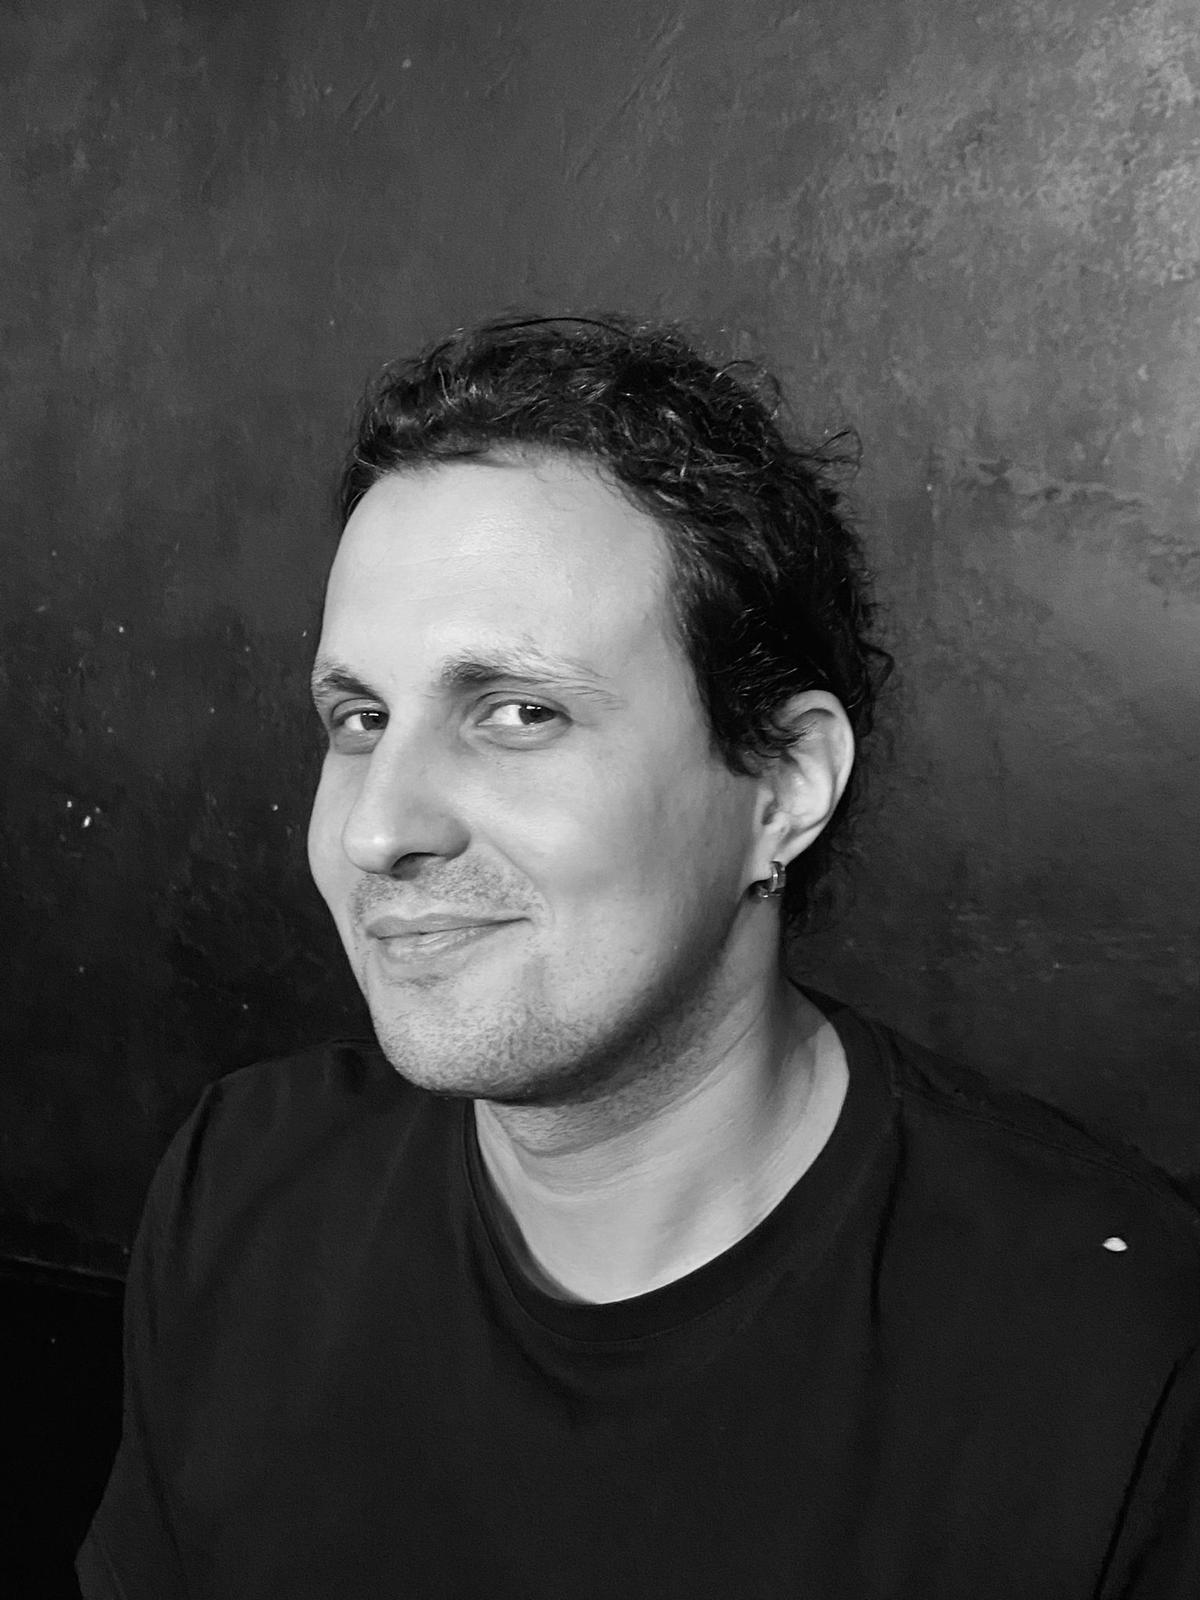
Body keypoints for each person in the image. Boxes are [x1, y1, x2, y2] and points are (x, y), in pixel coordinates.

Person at [79, 316, 1200, 1599]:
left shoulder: (1113, 1353)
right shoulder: (245, 1192)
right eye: (361, 717)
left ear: (783, 784)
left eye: (518, 712)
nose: (377, 829)